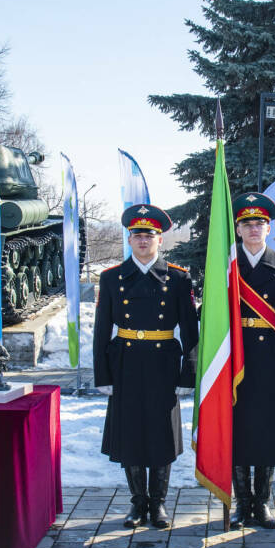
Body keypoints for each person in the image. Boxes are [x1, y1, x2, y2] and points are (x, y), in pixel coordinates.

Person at [93, 204, 199, 530]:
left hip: (163, 363)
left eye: (149, 235)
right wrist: (102, 375)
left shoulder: (179, 279)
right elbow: (101, 331)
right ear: (129, 238)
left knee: (161, 434)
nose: (143, 240)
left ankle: (159, 504)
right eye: (137, 235)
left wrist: (188, 372)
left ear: (160, 240)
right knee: (131, 435)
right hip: (124, 362)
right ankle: (138, 503)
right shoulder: (112, 278)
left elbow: (190, 332)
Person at [229, 192, 275, 530]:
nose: (254, 229)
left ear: (269, 228)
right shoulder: (227, 266)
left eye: (260, 223)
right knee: (239, 431)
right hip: (237, 361)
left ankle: (262, 503)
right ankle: (241, 503)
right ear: (239, 229)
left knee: (267, 431)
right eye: (247, 224)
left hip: (271, 362)